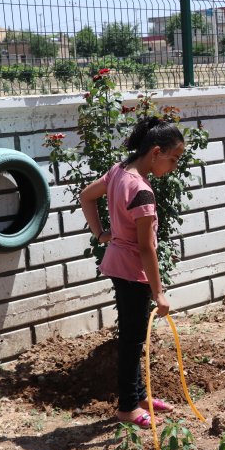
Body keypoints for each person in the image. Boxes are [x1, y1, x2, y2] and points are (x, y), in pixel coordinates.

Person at [80, 116, 182, 429]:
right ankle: (127, 408)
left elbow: (86, 195)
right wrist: (159, 292)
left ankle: (138, 396)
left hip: (117, 264)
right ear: (156, 152)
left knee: (132, 336)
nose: (175, 166)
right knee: (132, 341)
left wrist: (101, 234)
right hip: (133, 271)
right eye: (174, 158)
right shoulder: (143, 193)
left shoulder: (119, 171)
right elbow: (146, 249)